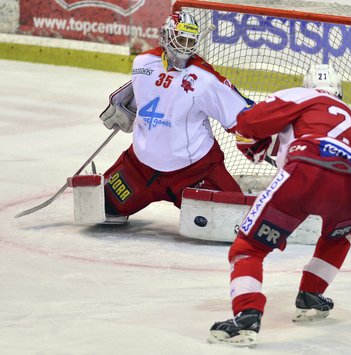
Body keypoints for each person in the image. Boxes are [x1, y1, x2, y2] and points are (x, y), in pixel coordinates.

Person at [208, 64, 351, 347]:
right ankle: (311, 295)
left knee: (248, 248)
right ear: (340, 91)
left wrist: (254, 141)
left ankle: (246, 315)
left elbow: (248, 124)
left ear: (308, 85)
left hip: (306, 173)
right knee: (338, 237)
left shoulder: (303, 96)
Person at [98, 11, 253, 222]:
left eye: (190, 40)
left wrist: (265, 133)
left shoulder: (205, 79)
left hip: (195, 172)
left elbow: (241, 114)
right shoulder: (143, 63)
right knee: (101, 208)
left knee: (234, 220)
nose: (185, 45)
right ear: (166, 36)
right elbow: (146, 92)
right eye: (181, 38)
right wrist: (127, 105)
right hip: (140, 169)